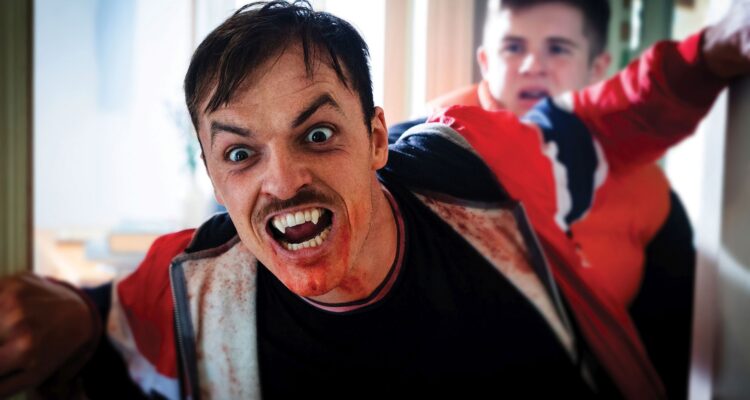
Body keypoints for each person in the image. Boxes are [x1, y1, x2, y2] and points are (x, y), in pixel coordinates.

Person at [1, 1, 748, 398]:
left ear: (377, 137)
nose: (283, 181)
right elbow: (93, 320)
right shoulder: (191, 288)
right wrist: (68, 315)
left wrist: (713, 51)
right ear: (212, 174)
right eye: (240, 153)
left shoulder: (477, 161)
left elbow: (600, 123)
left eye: (318, 134)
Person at [390, 1, 696, 396]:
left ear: (597, 68)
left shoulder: (647, 191)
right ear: (485, 61)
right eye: (513, 47)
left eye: (558, 48)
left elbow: (669, 350)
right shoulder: (412, 154)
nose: (533, 65)